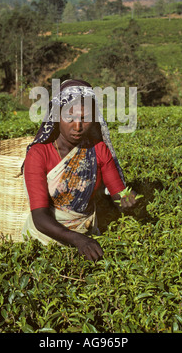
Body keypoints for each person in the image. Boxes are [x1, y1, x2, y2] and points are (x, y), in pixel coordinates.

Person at [22, 79, 137, 261]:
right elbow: (39, 216)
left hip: (87, 233)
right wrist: (78, 240)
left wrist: (126, 199)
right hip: (45, 239)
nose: (77, 126)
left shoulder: (98, 150)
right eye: (70, 118)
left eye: (85, 118)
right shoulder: (39, 154)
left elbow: (118, 192)